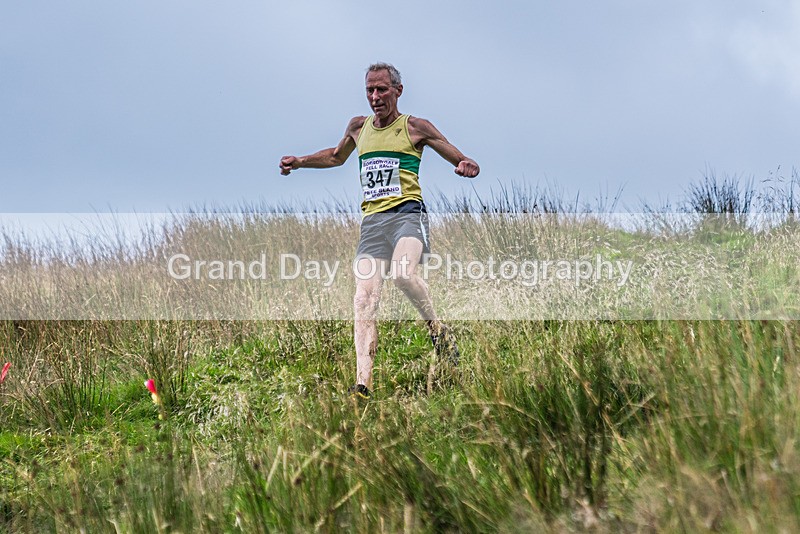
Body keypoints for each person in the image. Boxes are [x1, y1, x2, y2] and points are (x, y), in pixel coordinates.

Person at [279, 62, 479, 399]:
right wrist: (300, 162)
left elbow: (456, 154)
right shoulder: (359, 127)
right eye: (370, 90)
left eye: (382, 89)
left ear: (397, 91)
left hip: (407, 215)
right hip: (373, 224)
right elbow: (334, 156)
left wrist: (464, 163)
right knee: (364, 298)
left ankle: (438, 331)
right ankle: (362, 385)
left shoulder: (414, 127)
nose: (375, 96)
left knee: (403, 274)